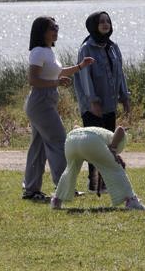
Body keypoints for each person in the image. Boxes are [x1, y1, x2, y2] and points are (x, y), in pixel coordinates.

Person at [22, 16, 94, 202]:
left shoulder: (48, 51)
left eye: (56, 27)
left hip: (46, 101)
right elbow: (33, 80)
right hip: (41, 101)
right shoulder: (38, 52)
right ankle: (64, 188)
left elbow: (58, 72)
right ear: (41, 32)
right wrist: (56, 83)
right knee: (59, 142)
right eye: (52, 28)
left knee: (38, 148)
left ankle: (31, 190)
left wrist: (80, 66)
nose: (56, 31)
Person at [75, 10, 132, 195]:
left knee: (109, 145)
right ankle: (93, 184)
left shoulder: (113, 47)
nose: (105, 24)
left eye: (107, 21)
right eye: (101, 22)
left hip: (110, 104)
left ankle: (105, 182)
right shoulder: (86, 48)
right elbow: (85, 77)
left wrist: (125, 96)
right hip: (93, 106)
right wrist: (93, 101)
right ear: (93, 25)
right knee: (94, 146)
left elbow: (120, 74)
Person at [50, 125, 145, 211]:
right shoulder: (116, 137)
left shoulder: (100, 133)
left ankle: (56, 200)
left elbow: (76, 127)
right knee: (116, 168)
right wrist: (113, 150)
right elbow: (121, 129)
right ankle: (131, 200)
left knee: (70, 171)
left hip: (71, 139)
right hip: (89, 140)